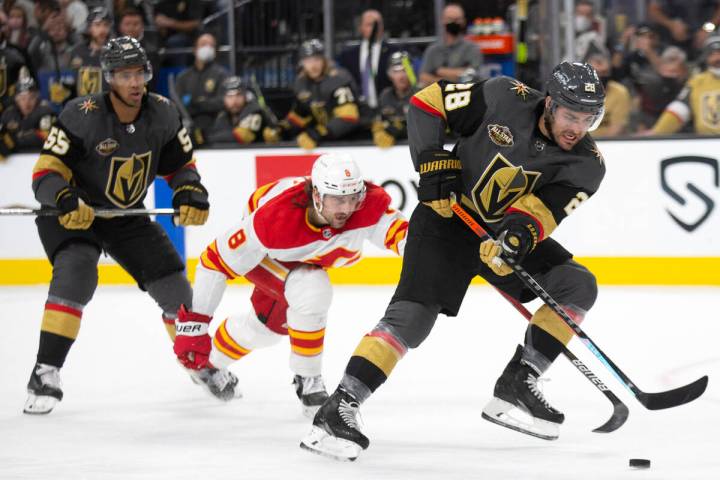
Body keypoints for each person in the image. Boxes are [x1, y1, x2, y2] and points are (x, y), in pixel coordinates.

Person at [301, 62, 607, 460]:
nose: (577, 128)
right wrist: (431, 157)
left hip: (496, 234)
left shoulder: (588, 164)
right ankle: (339, 407)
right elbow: (426, 103)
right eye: (570, 115)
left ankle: (520, 380)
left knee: (577, 284)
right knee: (412, 319)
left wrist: (514, 238)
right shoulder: (502, 96)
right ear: (549, 103)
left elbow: (542, 212)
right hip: (446, 219)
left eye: (588, 119)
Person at [23, 36, 232, 415]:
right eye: (124, 75)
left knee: (176, 287)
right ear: (109, 78)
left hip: (125, 214)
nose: (135, 83)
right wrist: (67, 198)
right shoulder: (80, 113)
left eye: (140, 73)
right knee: (78, 271)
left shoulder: (165, 113)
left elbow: (182, 168)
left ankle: (196, 361)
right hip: (71, 213)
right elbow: (45, 174)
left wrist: (190, 193)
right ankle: (45, 371)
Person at [173, 153, 408, 417]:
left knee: (265, 330)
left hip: (304, 258)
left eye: (352, 198)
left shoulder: (365, 206)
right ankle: (309, 381)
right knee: (312, 289)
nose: (346, 208)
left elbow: (403, 235)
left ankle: (209, 364)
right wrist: (194, 325)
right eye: (337, 200)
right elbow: (214, 261)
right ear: (317, 195)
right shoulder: (274, 219)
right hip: (267, 255)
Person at [279, 39, 360, 150]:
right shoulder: (301, 82)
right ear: (301, 63)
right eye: (308, 61)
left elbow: (348, 118)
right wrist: (283, 129)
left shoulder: (339, 79)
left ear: (324, 60)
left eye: (316, 59)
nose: (313, 65)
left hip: (354, 141)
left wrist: (319, 133)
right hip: (327, 140)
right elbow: (301, 113)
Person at [650, 34, 720, 135]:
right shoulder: (697, 82)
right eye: (712, 54)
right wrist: (656, 134)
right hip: (706, 145)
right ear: (706, 58)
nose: (717, 58)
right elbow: (678, 110)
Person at [174, 32, 228, 145]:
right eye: (203, 44)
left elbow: (223, 101)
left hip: (214, 129)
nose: (207, 48)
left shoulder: (222, 74)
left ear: (215, 52)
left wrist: (199, 104)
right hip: (187, 129)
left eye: (211, 45)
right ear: (195, 49)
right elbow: (177, 103)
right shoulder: (183, 77)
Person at [336, 9, 397, 109]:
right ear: (361, 28)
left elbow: (412, 79)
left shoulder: (395, 52)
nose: (375, 28)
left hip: (387, 109)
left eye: (378, 24)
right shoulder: (347, 56)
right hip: (356, 110)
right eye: (370, 24)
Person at [418, 3, 483, 86]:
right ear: (442, 20)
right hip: (438, 97)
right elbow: (423, 78)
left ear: (463, 21)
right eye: (450, 19)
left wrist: (440, 71)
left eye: (457, 19)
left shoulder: (472, 48)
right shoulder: (433, 50)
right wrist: (457, 75)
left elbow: (472, 75)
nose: (453, 22)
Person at [205, 76, 279, 145]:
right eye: (230, 96)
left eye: (238, 95)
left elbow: (242, 136)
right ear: (224, 99)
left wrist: (205, 138)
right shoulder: (223, 115)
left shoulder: (255, 111)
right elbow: (217, 133)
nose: (234, 101)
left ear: (245, 96)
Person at [0, 76, 55, 160]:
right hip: (11, 165)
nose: (27, 103)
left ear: (37, 97)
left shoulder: (46, 112)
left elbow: (46, 137)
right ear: (16, 99)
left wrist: (13, 140)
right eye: (22, 98)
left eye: (31, 97)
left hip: (37, 159)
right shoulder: (8, 114)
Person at [372, 50, 418, 148]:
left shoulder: (421, 95)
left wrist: (396, 131)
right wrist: (378, 131)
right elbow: (378, 121)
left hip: (416, 148)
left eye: (405, 70)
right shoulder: (385, 96)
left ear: (411, 72)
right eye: (396, 71)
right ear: (389, 74)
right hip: (390, 152)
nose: (401, 76)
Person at [68, 7, 112, 97]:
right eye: (97, 25)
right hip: (81, 104)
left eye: (106, 25)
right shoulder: (77, 52)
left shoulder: (114, 52)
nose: (102, 30)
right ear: (89, 28)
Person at [586, 52, 631, 136]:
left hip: (608, 143)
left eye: (604, 72)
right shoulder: (576, 93)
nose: (600, 77)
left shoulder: (620, 92)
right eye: (596, 73)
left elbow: (617, 128)